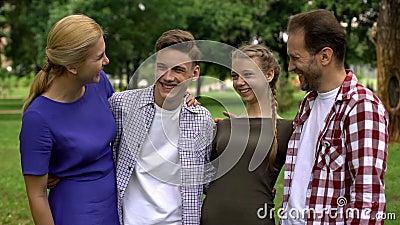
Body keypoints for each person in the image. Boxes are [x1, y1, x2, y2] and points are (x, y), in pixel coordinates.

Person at [281, 9, 389, 224]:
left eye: (295, 58)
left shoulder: (361, 107)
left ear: (325, 56)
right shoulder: (309, 102)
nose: (291, 67)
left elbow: (368, 200)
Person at [19, 15, 119, 225]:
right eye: (99, 56)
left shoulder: (100, 84)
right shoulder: (38, 118)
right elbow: (36, 195)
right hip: (77, 214)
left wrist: (182, 100)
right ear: (73, 66)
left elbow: (131, 112)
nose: (106, 61)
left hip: (116, 207)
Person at [108, 29, 214, 225]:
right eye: (162, 67)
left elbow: (208, 180)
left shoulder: (202, 119)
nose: (168, 77)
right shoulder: (121, 105)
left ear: (194, 73)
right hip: (131, 220)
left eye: (178, 70)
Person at [201, 44, 293, 225]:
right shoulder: (224, 127)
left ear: (269, 75)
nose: (240, 82)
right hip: (210, 219)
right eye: (235, 76)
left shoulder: (287, 130)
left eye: (248, 75)